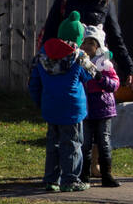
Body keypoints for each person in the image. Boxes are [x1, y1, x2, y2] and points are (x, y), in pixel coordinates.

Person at [29, 11, 96, 192]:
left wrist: (39, 101)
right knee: (73, 143)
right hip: (72, 108)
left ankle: (51, 179)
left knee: (53, 143)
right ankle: (70, 179)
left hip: (50, 105)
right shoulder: (79, 56)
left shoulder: (42, 55)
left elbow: (34, 82)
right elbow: (91, 74)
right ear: (78, 38)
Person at [41, 0, 133, 89]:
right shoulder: (64, 1)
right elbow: (49, 36)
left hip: (97, 64)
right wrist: (42, 66)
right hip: (69, 64)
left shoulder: (105, 3)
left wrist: (129, 69)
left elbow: (115, 39)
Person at [80, 25, 120, 187]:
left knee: (103, 142)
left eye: (92, 43)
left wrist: (99, 77)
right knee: (85, 142)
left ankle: (106, 174)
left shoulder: (105, 65)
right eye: (85, 42)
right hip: (86, 108)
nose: (87, 46)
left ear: (98, 47)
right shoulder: (81, 63)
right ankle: (84, 175)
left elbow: (114, 85)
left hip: (103, 108)